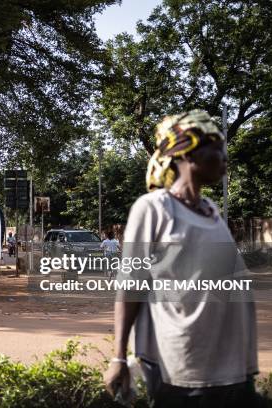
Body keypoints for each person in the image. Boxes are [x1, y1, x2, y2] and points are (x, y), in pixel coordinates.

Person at [104, 110, 259, 407]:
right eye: (217, 149)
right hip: (184, 369)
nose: (225, 158)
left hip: (233, 368)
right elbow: (130, 285)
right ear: (186, 153)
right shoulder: (153, 209)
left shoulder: (211, 210)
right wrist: (119, 356)